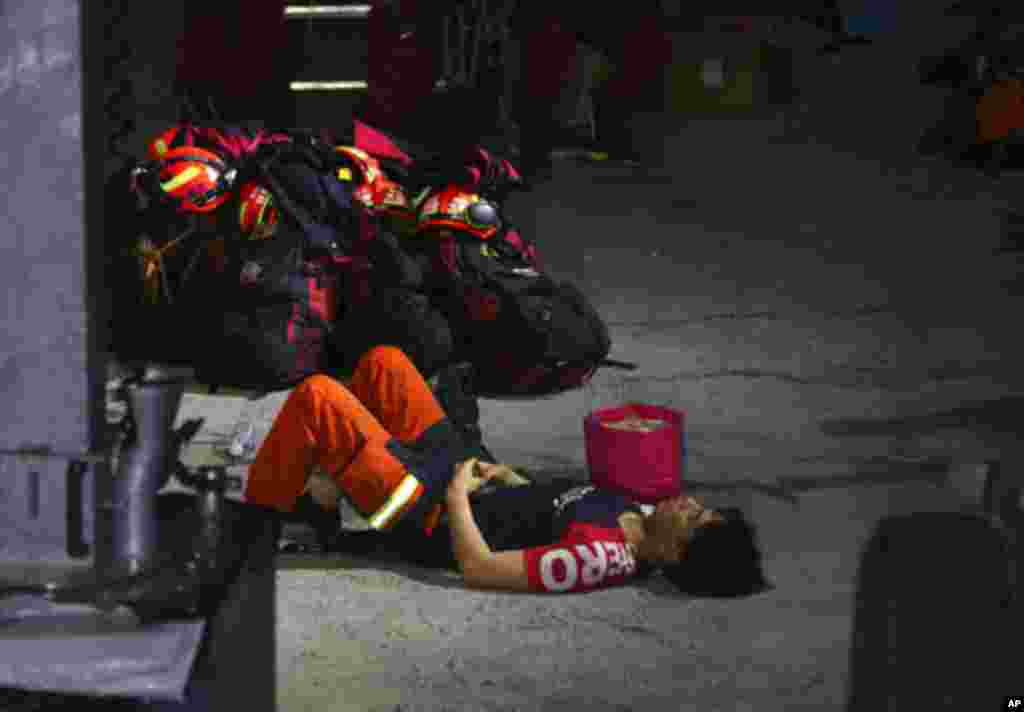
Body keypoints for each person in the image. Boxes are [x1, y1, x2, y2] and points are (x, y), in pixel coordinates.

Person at [247, 345, 770, 596]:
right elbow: (542, 509)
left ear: (678, 553)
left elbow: (478, 568)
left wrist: (455, 494)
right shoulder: (634, 512)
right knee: (384, 364)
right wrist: (505, 477)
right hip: (464, 479)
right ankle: (322, 488)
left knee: (318, 397)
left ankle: (248, 531)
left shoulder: (599, 558)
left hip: (428, 516)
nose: (691, 503)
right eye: (703, 507)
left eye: (696, 519)